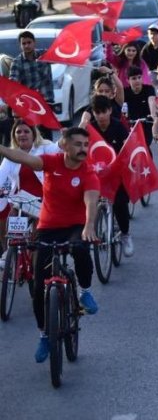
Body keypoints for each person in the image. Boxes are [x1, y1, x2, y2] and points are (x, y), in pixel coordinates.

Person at [0, 127, 100, 362]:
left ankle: (84, 291)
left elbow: (91, 201)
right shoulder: (51, 162)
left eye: (86, 145)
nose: (83, 149)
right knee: (37, 287)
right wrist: (2, 149)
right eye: (77, 144)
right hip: (48, 226)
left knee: (82, 248)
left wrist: (89, 226)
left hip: (76, 226)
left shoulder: (88, 172)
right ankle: (45, 334)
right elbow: (23, 157)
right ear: (64, 146)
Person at [0, 121, 61, 270]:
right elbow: (1, 176)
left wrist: (81, 125)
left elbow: (60, 146)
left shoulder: (45, 148)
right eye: (18, 132)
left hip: (46, 200)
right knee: (11, 220)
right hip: (23, 201)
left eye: (26, 131)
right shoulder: (11, 155)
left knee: (37, 239)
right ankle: (11, 252)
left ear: (33, 134)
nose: (22, 134)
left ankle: (36, 262)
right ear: (14, 136)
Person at [80, 95, 134, 256]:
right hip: (95, 174)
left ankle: (125, 235)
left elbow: (128, 147)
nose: (101, 116)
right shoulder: (90, 130)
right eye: (97, 112)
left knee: (120, 204)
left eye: (104, 111)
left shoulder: (118, 127)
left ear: (110, 110)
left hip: (116, 174)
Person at [8, 31, 54, 113]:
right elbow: (13, 82)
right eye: (24, 43)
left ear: (34, 42)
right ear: (20, 46)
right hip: (30, 105)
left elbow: (61, 56)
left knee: (51, 126)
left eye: (29, 42)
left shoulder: (44, 55)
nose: (27, 46)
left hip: (47, 103)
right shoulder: (17, 62)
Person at [123, 66, 158, 146]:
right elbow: (120, 107)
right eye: (134, 78)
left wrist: (153, 116)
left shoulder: (149, 89)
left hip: (146, 123)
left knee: (145, 146)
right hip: (131, 125)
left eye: (139, 77)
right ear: (128, 80)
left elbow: (151, 101)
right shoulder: (125, 92)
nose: (137, 80)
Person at [141, 26, 158, 95]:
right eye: (151, 34)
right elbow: (142, 63)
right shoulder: (146, 48)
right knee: (150, 89)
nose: (153, 36)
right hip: (152, 72)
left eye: (155, 34)